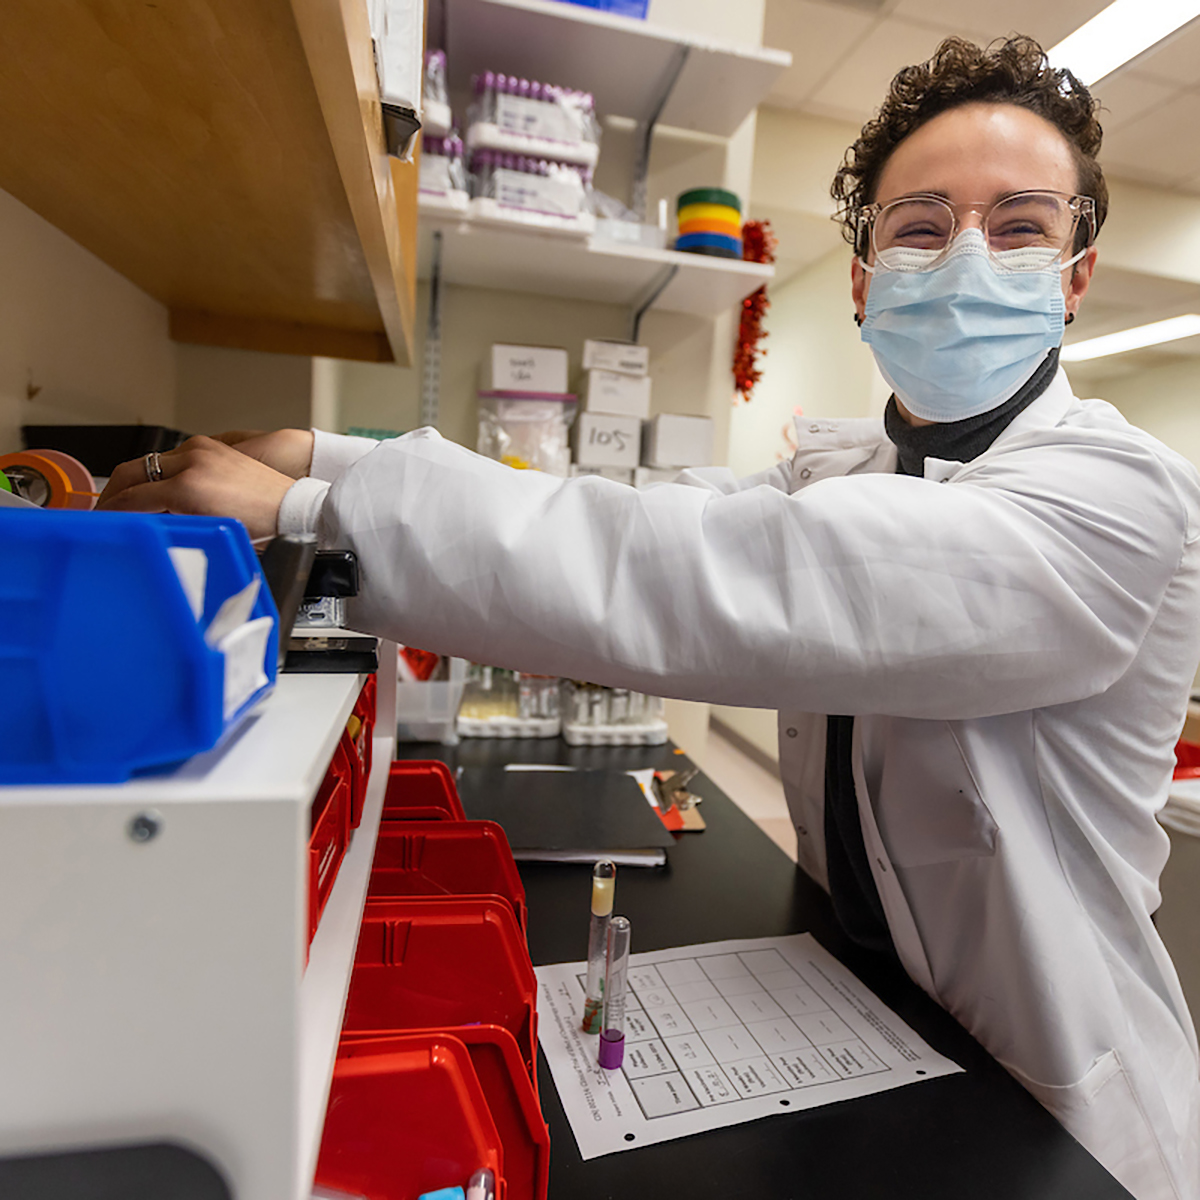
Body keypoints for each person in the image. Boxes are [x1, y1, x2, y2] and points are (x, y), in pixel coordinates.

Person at [100, 36, 1199, 1200]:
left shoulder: (1118, 498)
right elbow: (630, 509)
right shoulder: (855, 467)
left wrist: (313, 513)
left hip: (1053, 1109)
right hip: (880, 1025)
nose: (969, 256)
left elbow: (725, 579)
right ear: (866, 279)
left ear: (1075, 276)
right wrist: (329, 454)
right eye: (921, 227)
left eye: (1020, 227)